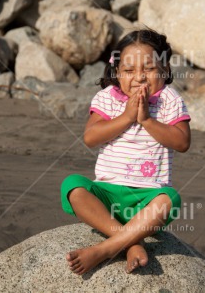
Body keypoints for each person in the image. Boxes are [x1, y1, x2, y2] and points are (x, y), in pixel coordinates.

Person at [60, 28, 191, 275]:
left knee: (170, 199)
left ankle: (107, 249)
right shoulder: (107, 98)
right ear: (117, 73)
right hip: (106, 195)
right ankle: (131, 241)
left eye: (149, 69)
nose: (139, 77)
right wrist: (127, 116)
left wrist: (147, 121)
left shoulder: (170, 100)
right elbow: (90, 137)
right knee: (73, 185)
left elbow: (182, 142)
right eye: (129, 71)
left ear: (164, 71)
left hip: (146, 200)